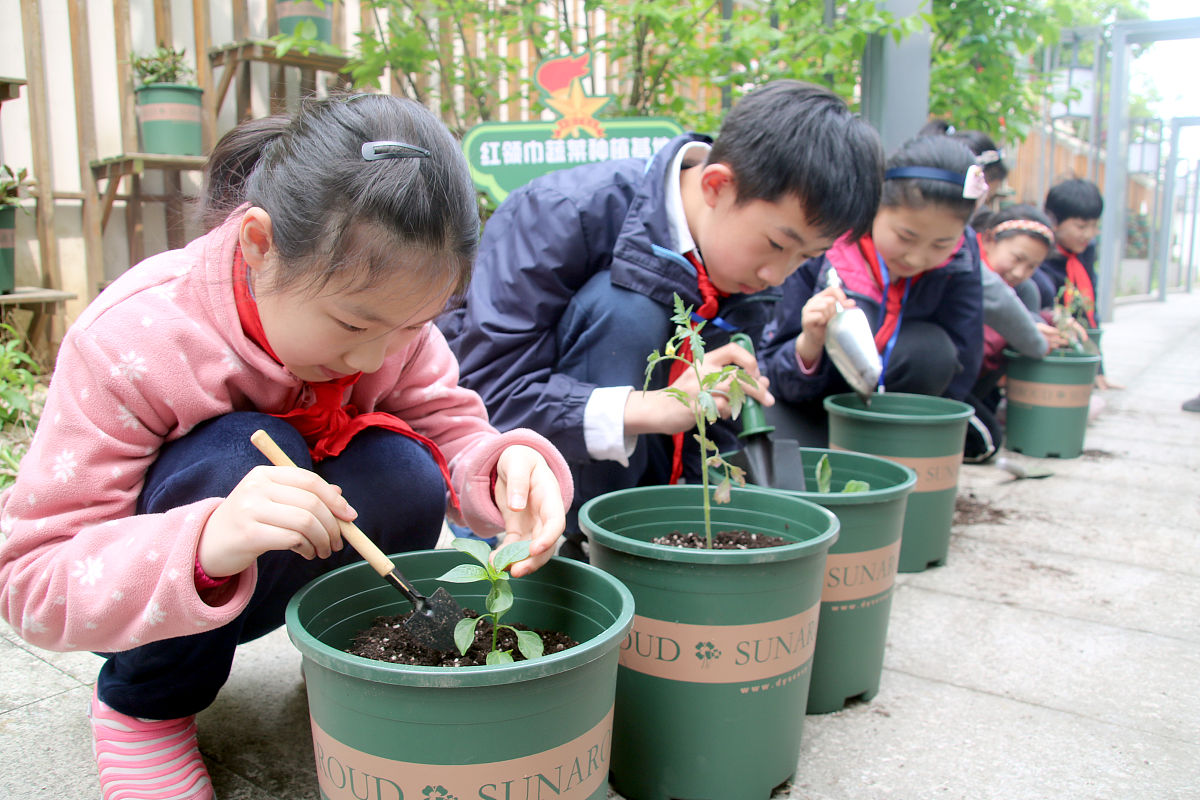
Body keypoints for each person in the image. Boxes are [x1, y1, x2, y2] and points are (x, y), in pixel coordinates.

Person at [0, 94, 573, 800]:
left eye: (412, 327)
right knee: (236, 457)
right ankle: (144, 707)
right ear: (258, 246)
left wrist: (506, 468)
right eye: (352, 325)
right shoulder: (135, 340)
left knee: (405, 470)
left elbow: (447, 427)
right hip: (149, 596)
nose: (375, 359)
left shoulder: (389, 324)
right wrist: (208, 541)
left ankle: (345, 657)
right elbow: (29, 580)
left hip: (292, 558)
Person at [438, 80, 884, 560]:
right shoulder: (561, 213)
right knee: (625, 305)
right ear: (717, 185)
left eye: (805, 258)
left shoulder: (752, 268)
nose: (776, 273)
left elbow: (712, 428)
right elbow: (489, 400)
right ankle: (569, 539)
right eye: (777, 244)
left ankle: (632, 539)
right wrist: (657, 406)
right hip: (519, 489)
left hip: (642, 478)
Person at [758, 135, 986, 445]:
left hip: (891, 406)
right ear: (875, 207)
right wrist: (809, 344)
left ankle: (893, 443)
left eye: (941, 244)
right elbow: (772, 363)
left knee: (933, 351)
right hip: (808, 399)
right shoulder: (824, 243)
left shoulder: (961, 257)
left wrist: (938, 434)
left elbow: (964, 349)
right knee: (778, 449)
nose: (917, 257)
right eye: (906, 237)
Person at [965, 204, 1077, 461]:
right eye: (1016, 259)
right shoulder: (969, 269)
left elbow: (1025, 319)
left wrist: (1051, 322)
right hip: (952, 379)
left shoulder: (1024, 289)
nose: (1019, 272)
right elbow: (1020, 334)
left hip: (979, 383)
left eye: (1032, 267)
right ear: (990, 239)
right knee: (987, 443)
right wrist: (1023, 334)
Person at [1033, 177, 1120, 389]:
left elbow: (1089, 311)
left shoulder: (1085, 252)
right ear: (1053, 221)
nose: (1088, 234)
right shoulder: (1039, 256)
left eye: (1094, 226)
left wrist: (1097, 369)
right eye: (1081, 226)